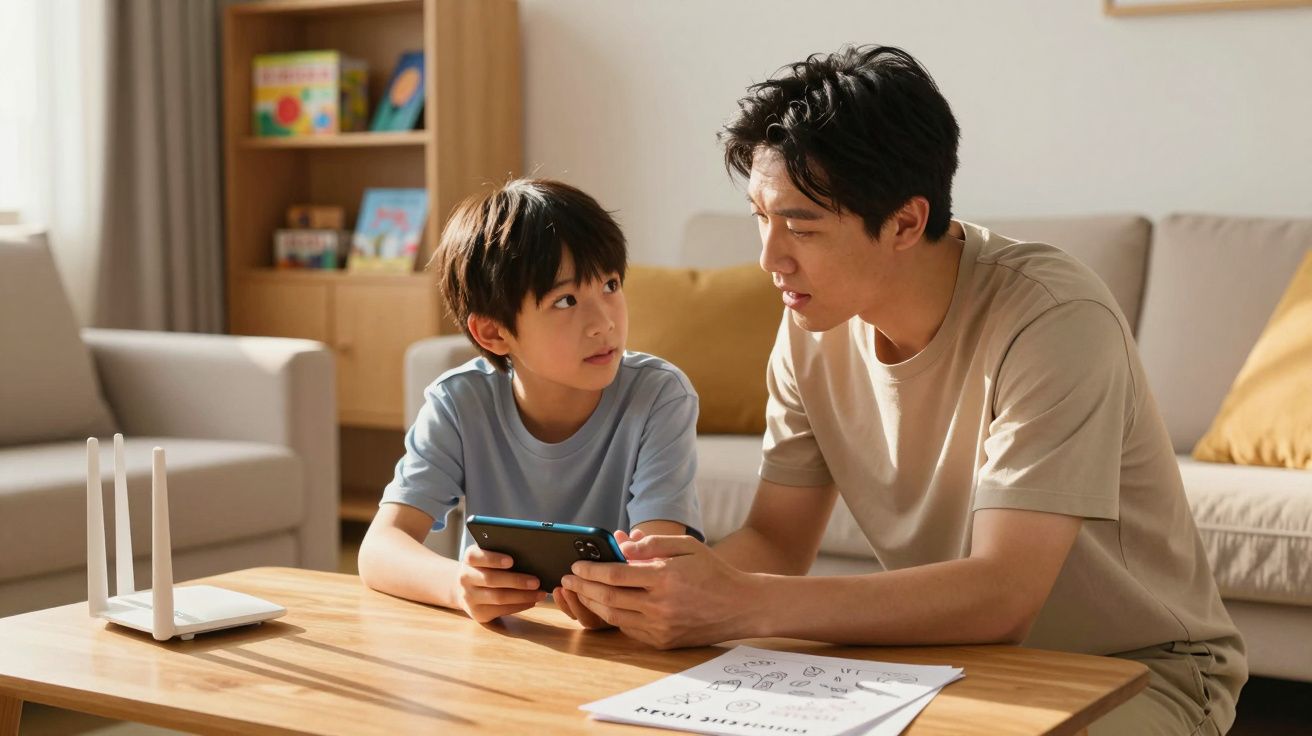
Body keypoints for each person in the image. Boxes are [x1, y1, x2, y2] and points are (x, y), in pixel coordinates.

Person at [562, 46, 1245, 734]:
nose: (769, 258)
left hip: (1138, 673)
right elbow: (776, 540)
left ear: (906, 223)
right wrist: (651, 592)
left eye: (800, 224)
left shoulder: (1052, 318)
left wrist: (744, 603)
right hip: (940, 662)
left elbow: (1005, 593)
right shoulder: (810, 325)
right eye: (759, 218)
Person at [358, 178, 703, 629]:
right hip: (505, 643)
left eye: (611, 285)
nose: (603, 323)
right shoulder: (459, 402)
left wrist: (619, 598)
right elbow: (379, 547)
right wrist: (457, 585)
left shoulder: (659, 396)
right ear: (494, 333)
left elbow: (657, 566)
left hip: (627, 645)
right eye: (566, 300)